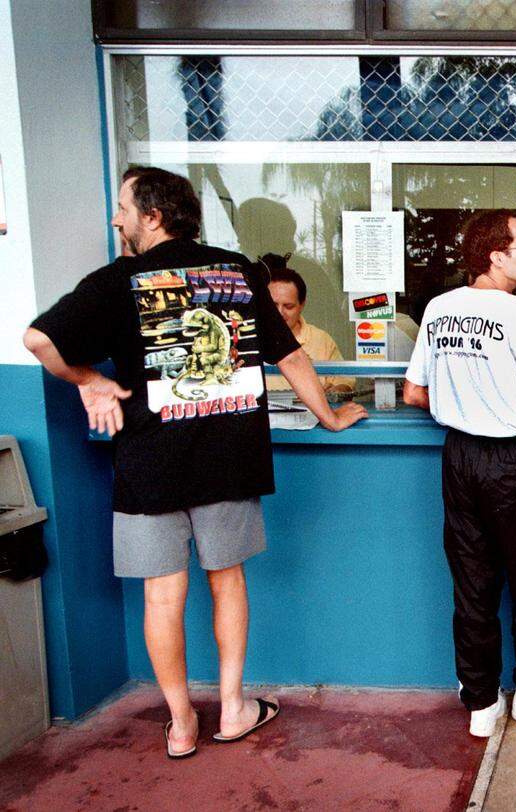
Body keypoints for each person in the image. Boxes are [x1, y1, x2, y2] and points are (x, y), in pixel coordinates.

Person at [23, 167, 367, 759]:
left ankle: (182, 725)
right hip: (226, 459)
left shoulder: (117, 280)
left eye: (124, 207)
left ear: (152, 216)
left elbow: (38, 340)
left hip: (147, 465)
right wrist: (331, 417)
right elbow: (289, 355)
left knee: (162, 596)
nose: (116, 218)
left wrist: (88, 380)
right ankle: (233, 709)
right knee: (227, 581)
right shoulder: (236, 269)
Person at [403, 210, 516, 737]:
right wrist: (504, 404)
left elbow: (415, 392)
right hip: (512, 464)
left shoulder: (438, 309)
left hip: (458, 459)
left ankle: (481, 705)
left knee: (473, 585)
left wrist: (467, 401)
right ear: (495, 254)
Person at [260, 254, 353, 394]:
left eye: (288, 306)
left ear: (301, 305)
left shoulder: (321, 340)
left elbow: (344, 382)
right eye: (273, 305)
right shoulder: (249, 339)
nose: (279, 313)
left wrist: (336, 391)